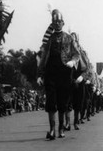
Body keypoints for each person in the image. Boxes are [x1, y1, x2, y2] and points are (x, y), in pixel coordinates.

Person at [37, 9, 80, 140]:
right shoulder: (48, 39)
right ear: (52, 23)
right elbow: (43, 57)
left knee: (62, 102)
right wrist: (39, 74)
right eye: (54, 22)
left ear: (63, 23)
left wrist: (73, 61)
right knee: (51, 102)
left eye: (59, 22)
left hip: (64, 72)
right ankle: (51, 130)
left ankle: (61, 128)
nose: (57, 24)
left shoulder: (69, 38)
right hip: (51, 72)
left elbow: (76, 53)